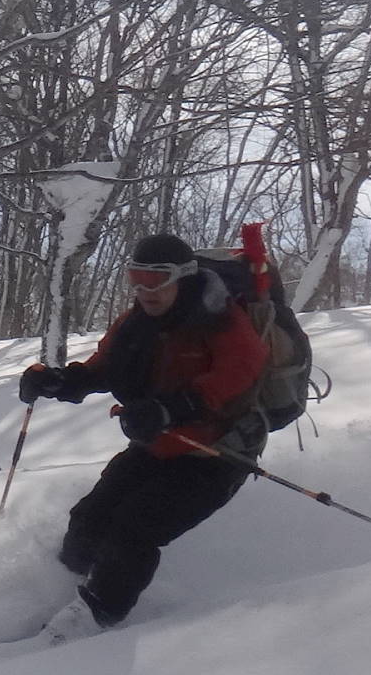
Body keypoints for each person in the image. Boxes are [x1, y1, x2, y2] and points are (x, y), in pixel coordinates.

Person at [18, 233, 269, 642]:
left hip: (215, 456)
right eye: (137, 278)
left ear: (183, 278)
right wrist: (59, 382)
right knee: (88, 519)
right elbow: (103, 369)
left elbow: (237, 377)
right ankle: (59, 594)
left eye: (156, 280)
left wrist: (171, 408)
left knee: (133, 529)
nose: (145, 291)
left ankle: (96, 619)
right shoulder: (135, 323)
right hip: (156, 447)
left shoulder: (223, 323)